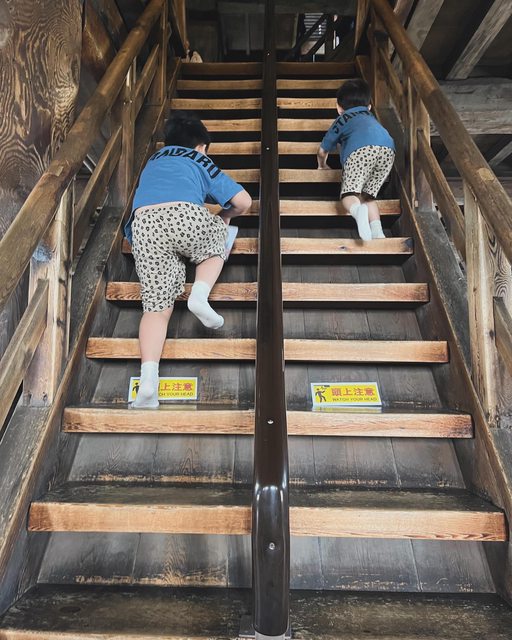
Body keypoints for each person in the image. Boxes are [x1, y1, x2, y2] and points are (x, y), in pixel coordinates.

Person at [124, 112, 252, 409]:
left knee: (156, 308)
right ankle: (199, 295)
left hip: (144, 227)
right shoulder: (198, 159)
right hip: (185, 216)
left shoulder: (152, 161)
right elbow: (244, 201)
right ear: (201, 146)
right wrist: (224, 215)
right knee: (220, 233)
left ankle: (148, 384)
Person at [317, 79, 395, 240]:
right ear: (369, 107)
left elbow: (322, 150)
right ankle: (378, 232)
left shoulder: (342, 119)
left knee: (349, 194)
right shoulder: (370, 117)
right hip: (388, 151)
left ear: (339, 108)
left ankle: (357, 211)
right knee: (367, 196)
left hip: (361, 152)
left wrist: (322, 165)